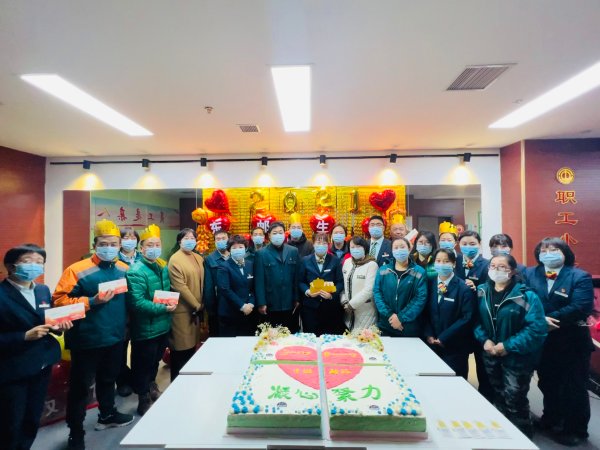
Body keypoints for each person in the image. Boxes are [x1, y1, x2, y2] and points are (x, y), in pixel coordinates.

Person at [53, 219, 133, 450]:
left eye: (113, 244)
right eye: (103, 243)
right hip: (86, 339)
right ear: (95, 244)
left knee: (108, 380)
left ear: (120, 245)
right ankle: (75, 431)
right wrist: (91, 301)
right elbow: (59, 301)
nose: (109, 248)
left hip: (115, 337)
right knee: (80, 388)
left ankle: (107, 415)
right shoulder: (77, 270)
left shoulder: (124, 269)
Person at [0, 244, 73, 450]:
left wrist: (58, 327)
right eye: (28, 261)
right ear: (11, 266)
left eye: (39, 262)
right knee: (11, 422)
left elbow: (47, 321)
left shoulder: (42, 290)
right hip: (13, 369)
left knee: (32, 418)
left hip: (42, 364)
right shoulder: (2, 294)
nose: (34, 266)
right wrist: (23, 336)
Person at [525, 237, 594, 446]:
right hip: (542, 340)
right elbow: (520, 299)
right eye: (544, 250)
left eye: (554, 249)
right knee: (548, 382)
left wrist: (547, 319)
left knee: (574, 386)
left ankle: (576, 429)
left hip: (571, 341)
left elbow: (580, 306)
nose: (548, 253)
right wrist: (539, 319)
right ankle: (551, 419)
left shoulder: (579, 276)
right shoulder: (529, 273)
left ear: (565, 253)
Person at [474, 254, 546, 437]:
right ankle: (503, 435)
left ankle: (523, 436)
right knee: (498, 394)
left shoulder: (526, 296)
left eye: (502, 267)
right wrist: (484, 340)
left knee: (515, 398)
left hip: (517, 357)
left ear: (513, 271)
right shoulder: (482, 291)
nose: (496, 270)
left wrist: (507, 346)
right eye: (492, 266)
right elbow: (476, 320)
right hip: (491, 354)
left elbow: (536, 329)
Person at [126, 224, 174, 416]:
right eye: (150, 245)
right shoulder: (136, 271)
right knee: (142, 365)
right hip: (146, 328)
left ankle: (152, 387)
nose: (154, 248)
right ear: (141, 248)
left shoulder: (162, 266)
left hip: (163, 325)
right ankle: (143, 398)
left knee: (155, 361)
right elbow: (137, 302)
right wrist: (163, 308)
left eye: (157, 244)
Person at [423, 249, 475, 379]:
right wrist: (429, 334)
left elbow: (467, 317)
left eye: (446, 261)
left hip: (455, 346)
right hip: (432, 344)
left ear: (453, 264)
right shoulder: (429, 284)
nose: (441, 264)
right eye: (438, 261)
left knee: (455, 381)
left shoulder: (464, 288)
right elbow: (424, 312)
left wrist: (444, 337)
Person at [454, 230, 492, 400]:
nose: (468, 247)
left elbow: (491, 292)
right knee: (459, 365)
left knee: (483, 367)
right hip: (458, 322)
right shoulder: (454, 262)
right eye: (464, 244)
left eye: (472, 244)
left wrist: (477, 289)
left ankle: (485, 401)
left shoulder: (487, 265)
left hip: (479, 322)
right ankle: (461, 398)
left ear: (479, 244)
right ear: (459, 245)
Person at [168, 228, 206, 381]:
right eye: (186, 238)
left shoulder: (198, 257)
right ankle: (176, 382)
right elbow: (180, 287)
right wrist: (197, 305)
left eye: (192, 238)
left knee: (192, 349)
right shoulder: (175, 259)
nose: (190, 241)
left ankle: (189, 381)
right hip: (183, 311)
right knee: (180, 350)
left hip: (196, 311)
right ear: (179, 241)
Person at [373, 237, 428, 337]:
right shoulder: (383, 270)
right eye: (396, 248)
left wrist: (401, 318)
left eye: (402, 247)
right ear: (392, 251)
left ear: (409, 249)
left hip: (408, 326)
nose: (399, 250)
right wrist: (390, 314)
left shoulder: (419, 272)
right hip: (386, 323)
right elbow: (377, 293)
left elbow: (420, 298)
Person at [254, 221, 301, 332]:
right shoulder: (261, 253)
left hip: (289, 302)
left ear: (285, 234)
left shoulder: (293, 251)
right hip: (270, 303)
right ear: (269, 235)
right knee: (271, 335)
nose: (278, 235)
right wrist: (261, 302)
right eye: (274, 233)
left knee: (290, 334)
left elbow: (297, 277)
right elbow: (259, 281)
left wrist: (297, 298)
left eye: (280, 232)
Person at [298, 233, 344, 335]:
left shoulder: (335, 261)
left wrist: (331, 295)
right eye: (318, 242)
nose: (321, 245)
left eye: (324, 243)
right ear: (313, 244)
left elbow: (340, 282)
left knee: (330, 337)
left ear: (328, 245)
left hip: (330, 307)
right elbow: (300, 281)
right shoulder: (305, 260)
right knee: (311, 337)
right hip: (310, 307)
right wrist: (308, 291)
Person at [116, 227, 140, 398]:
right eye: (126, 237)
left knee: (140, 347)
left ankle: (138, 379)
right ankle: (122, 381)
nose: (129, 240)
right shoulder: (113, 260)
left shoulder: (142, 258)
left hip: (140, 309)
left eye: (133, 237)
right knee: (121, 348)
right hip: (121, 309)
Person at [216, 235, 256, 336]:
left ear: (245, 248)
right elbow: (225, 289)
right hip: (230, 313)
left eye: (240, 247)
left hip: (249, 312)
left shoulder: (250, 264)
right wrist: (242, 306)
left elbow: (254, 287)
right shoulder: (223, 266)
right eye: (234, 248)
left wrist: (251, 304)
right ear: (229, 250)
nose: (237, 250)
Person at [340, 237, 379, 331]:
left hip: (365, 311)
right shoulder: (347, 262)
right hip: (348, 312)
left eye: (358, 246)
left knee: (364, 337)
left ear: (364, 248)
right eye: (352, 247)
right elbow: (343, 284)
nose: (355, 249)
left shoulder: (372, 265)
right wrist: (344, 301)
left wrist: (351, 304)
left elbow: (369, 290)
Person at [203, 230, 230, 337]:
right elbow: (208, 285)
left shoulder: (234, 255)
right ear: (214, 242)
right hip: (218, 303)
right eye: (218, 239)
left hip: (235, 303)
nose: (221, 241)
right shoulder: (209, 259)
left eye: (224, 238)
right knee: (218, 334)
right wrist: (210, 308)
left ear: (228, 240)